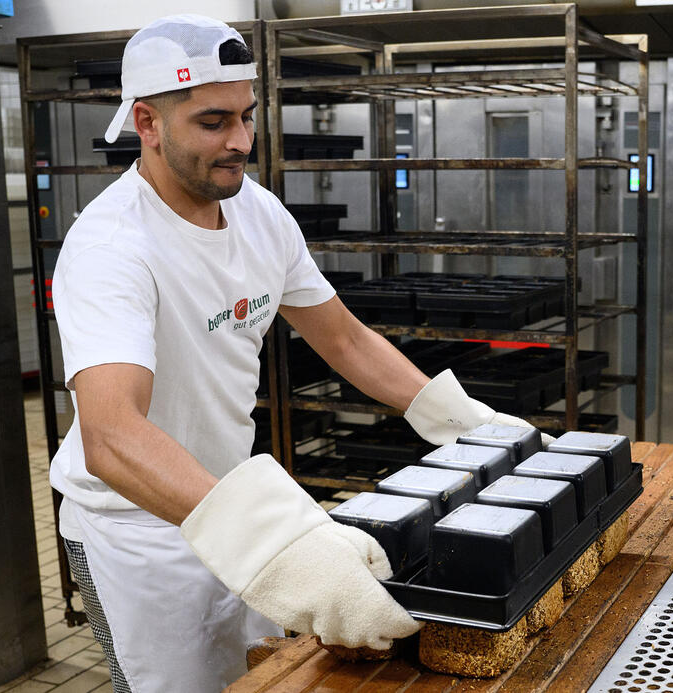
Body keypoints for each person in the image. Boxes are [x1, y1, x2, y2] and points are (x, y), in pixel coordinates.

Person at [50, 15, 549, 692]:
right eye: (213, 121)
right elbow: (112, 436)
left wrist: (457, 419)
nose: (241, 142)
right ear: (147, 121)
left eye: (248, 117)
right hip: (137, 529)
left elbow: (341, 337)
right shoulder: (113, 247)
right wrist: (278, 544)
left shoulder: (258, 213)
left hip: (232, 499)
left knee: (262, 681)